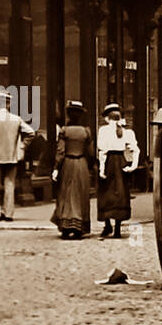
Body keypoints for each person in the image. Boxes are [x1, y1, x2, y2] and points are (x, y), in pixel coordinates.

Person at [0, 90, 33, 221]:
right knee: (10, 184)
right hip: (12, 157)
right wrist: (21, 147)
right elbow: (31, 132)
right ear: (9, 104)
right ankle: (9, 213)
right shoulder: (16, 119)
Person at [51, 102, 94, 240]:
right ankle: (78, 227)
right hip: (81, 164)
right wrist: (91, 166)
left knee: (66, 194)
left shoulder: (64, 131)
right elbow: (91, 153)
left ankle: (66, 226)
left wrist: (56, 168)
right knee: (81, 195)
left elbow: (60, 151)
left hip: (68, 164)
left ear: (69, 115)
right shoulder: (86, 132)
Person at [96, 104, 139, 239]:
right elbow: (135, 150)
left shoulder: (103, 131)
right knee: (120, 194)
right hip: (121, 163)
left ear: (108, 118)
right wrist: (133, 166)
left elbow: (102, 152)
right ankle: (117, 230)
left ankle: (107, 225)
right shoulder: (128, 132)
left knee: (105, 194)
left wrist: (102, 169)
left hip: (109, 163)